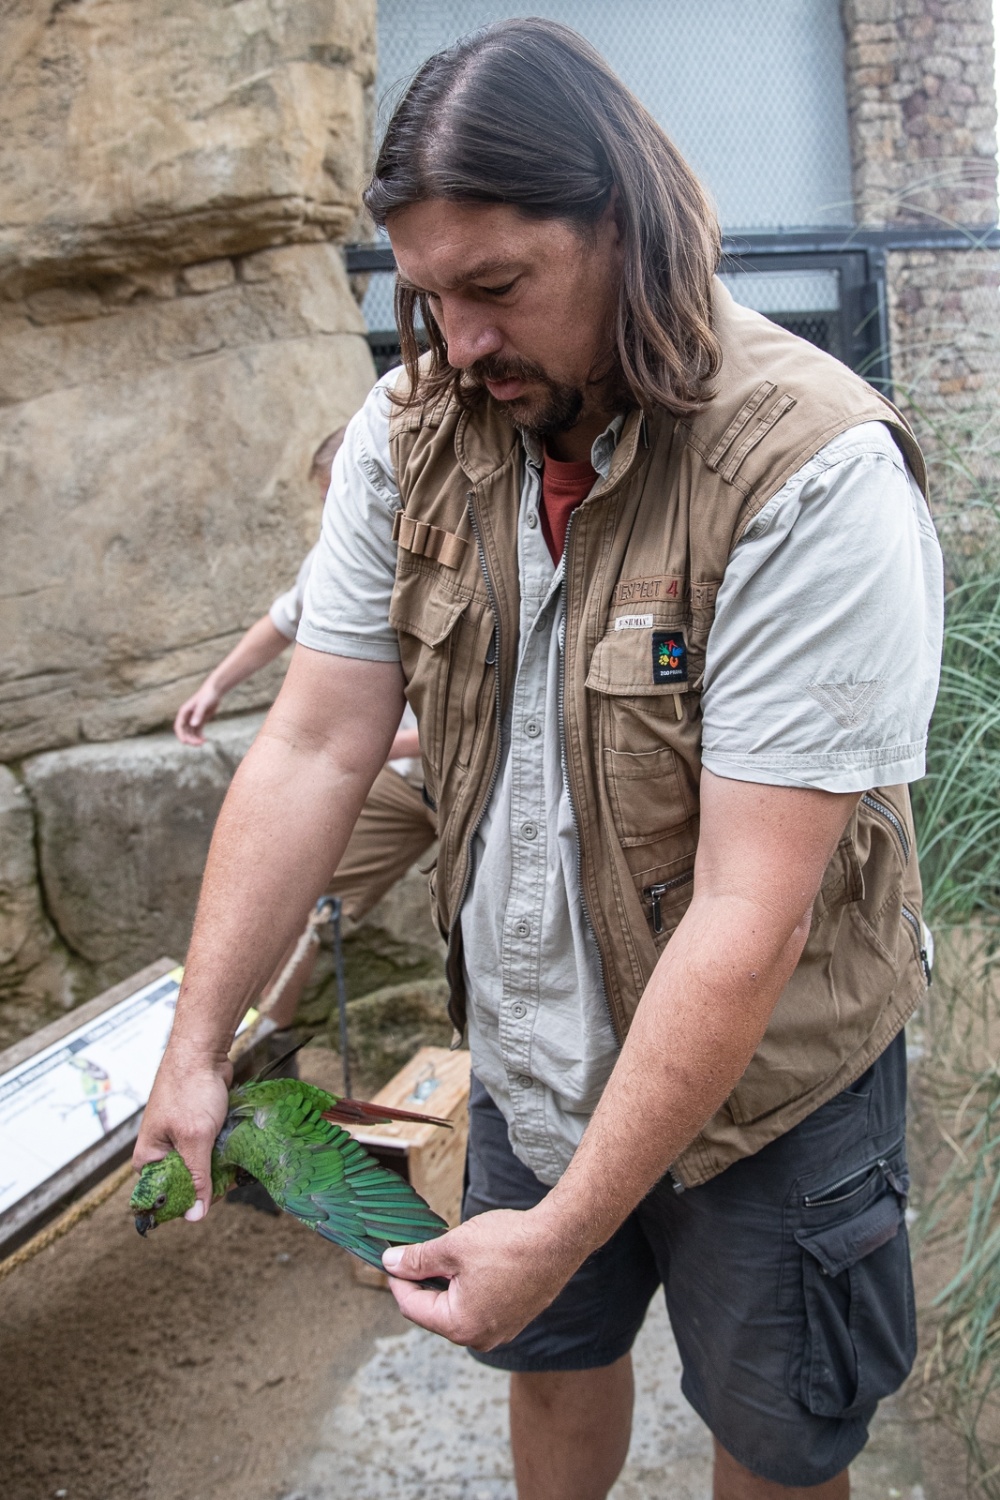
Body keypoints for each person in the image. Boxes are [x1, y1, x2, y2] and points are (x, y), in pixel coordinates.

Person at [136, 20, 944, 1500]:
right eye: (425, 297)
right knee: (550, 1375)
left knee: (775, 1442)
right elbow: (318, 742)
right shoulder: (413, 427)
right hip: (529, 1055)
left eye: (496, 290)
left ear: (628, 229)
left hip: (768, 1094)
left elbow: (748, 913)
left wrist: (564, 1224)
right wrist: (196, 1044)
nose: (456, 345)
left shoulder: (812, 470)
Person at [172, 426, 435, 1030]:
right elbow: (282, 620)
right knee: (295, 898)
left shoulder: (464, 537)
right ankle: (252, 1053)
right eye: (329, 498)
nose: (339, 509)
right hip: (397, 776)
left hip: (476, 774)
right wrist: (214, 687)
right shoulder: (345, 549)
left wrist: (385, 745)